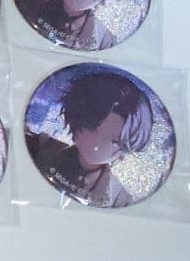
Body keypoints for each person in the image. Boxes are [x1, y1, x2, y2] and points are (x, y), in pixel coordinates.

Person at [26, 71, 152, 208]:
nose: (97, 141)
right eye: (91, 126)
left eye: (116, 143)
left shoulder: (118, 197)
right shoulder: (41, 146)